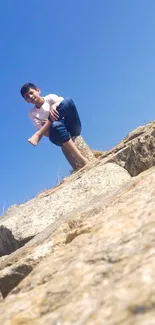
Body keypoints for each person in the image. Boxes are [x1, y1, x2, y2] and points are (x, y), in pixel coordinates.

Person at [20, 83, 88, 167]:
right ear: (26, 101)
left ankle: (39, 134)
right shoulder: (32, 113)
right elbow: (47, 134)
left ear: (38, 90)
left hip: (72, 127)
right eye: (27, 97)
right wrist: (51, 124)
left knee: (68, 100)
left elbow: (66, 104)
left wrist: (54, 106)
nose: (30, 96)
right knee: (55, 125)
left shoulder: (50, 98)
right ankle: (81, 159)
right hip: (57, 136)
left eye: (31, 93)